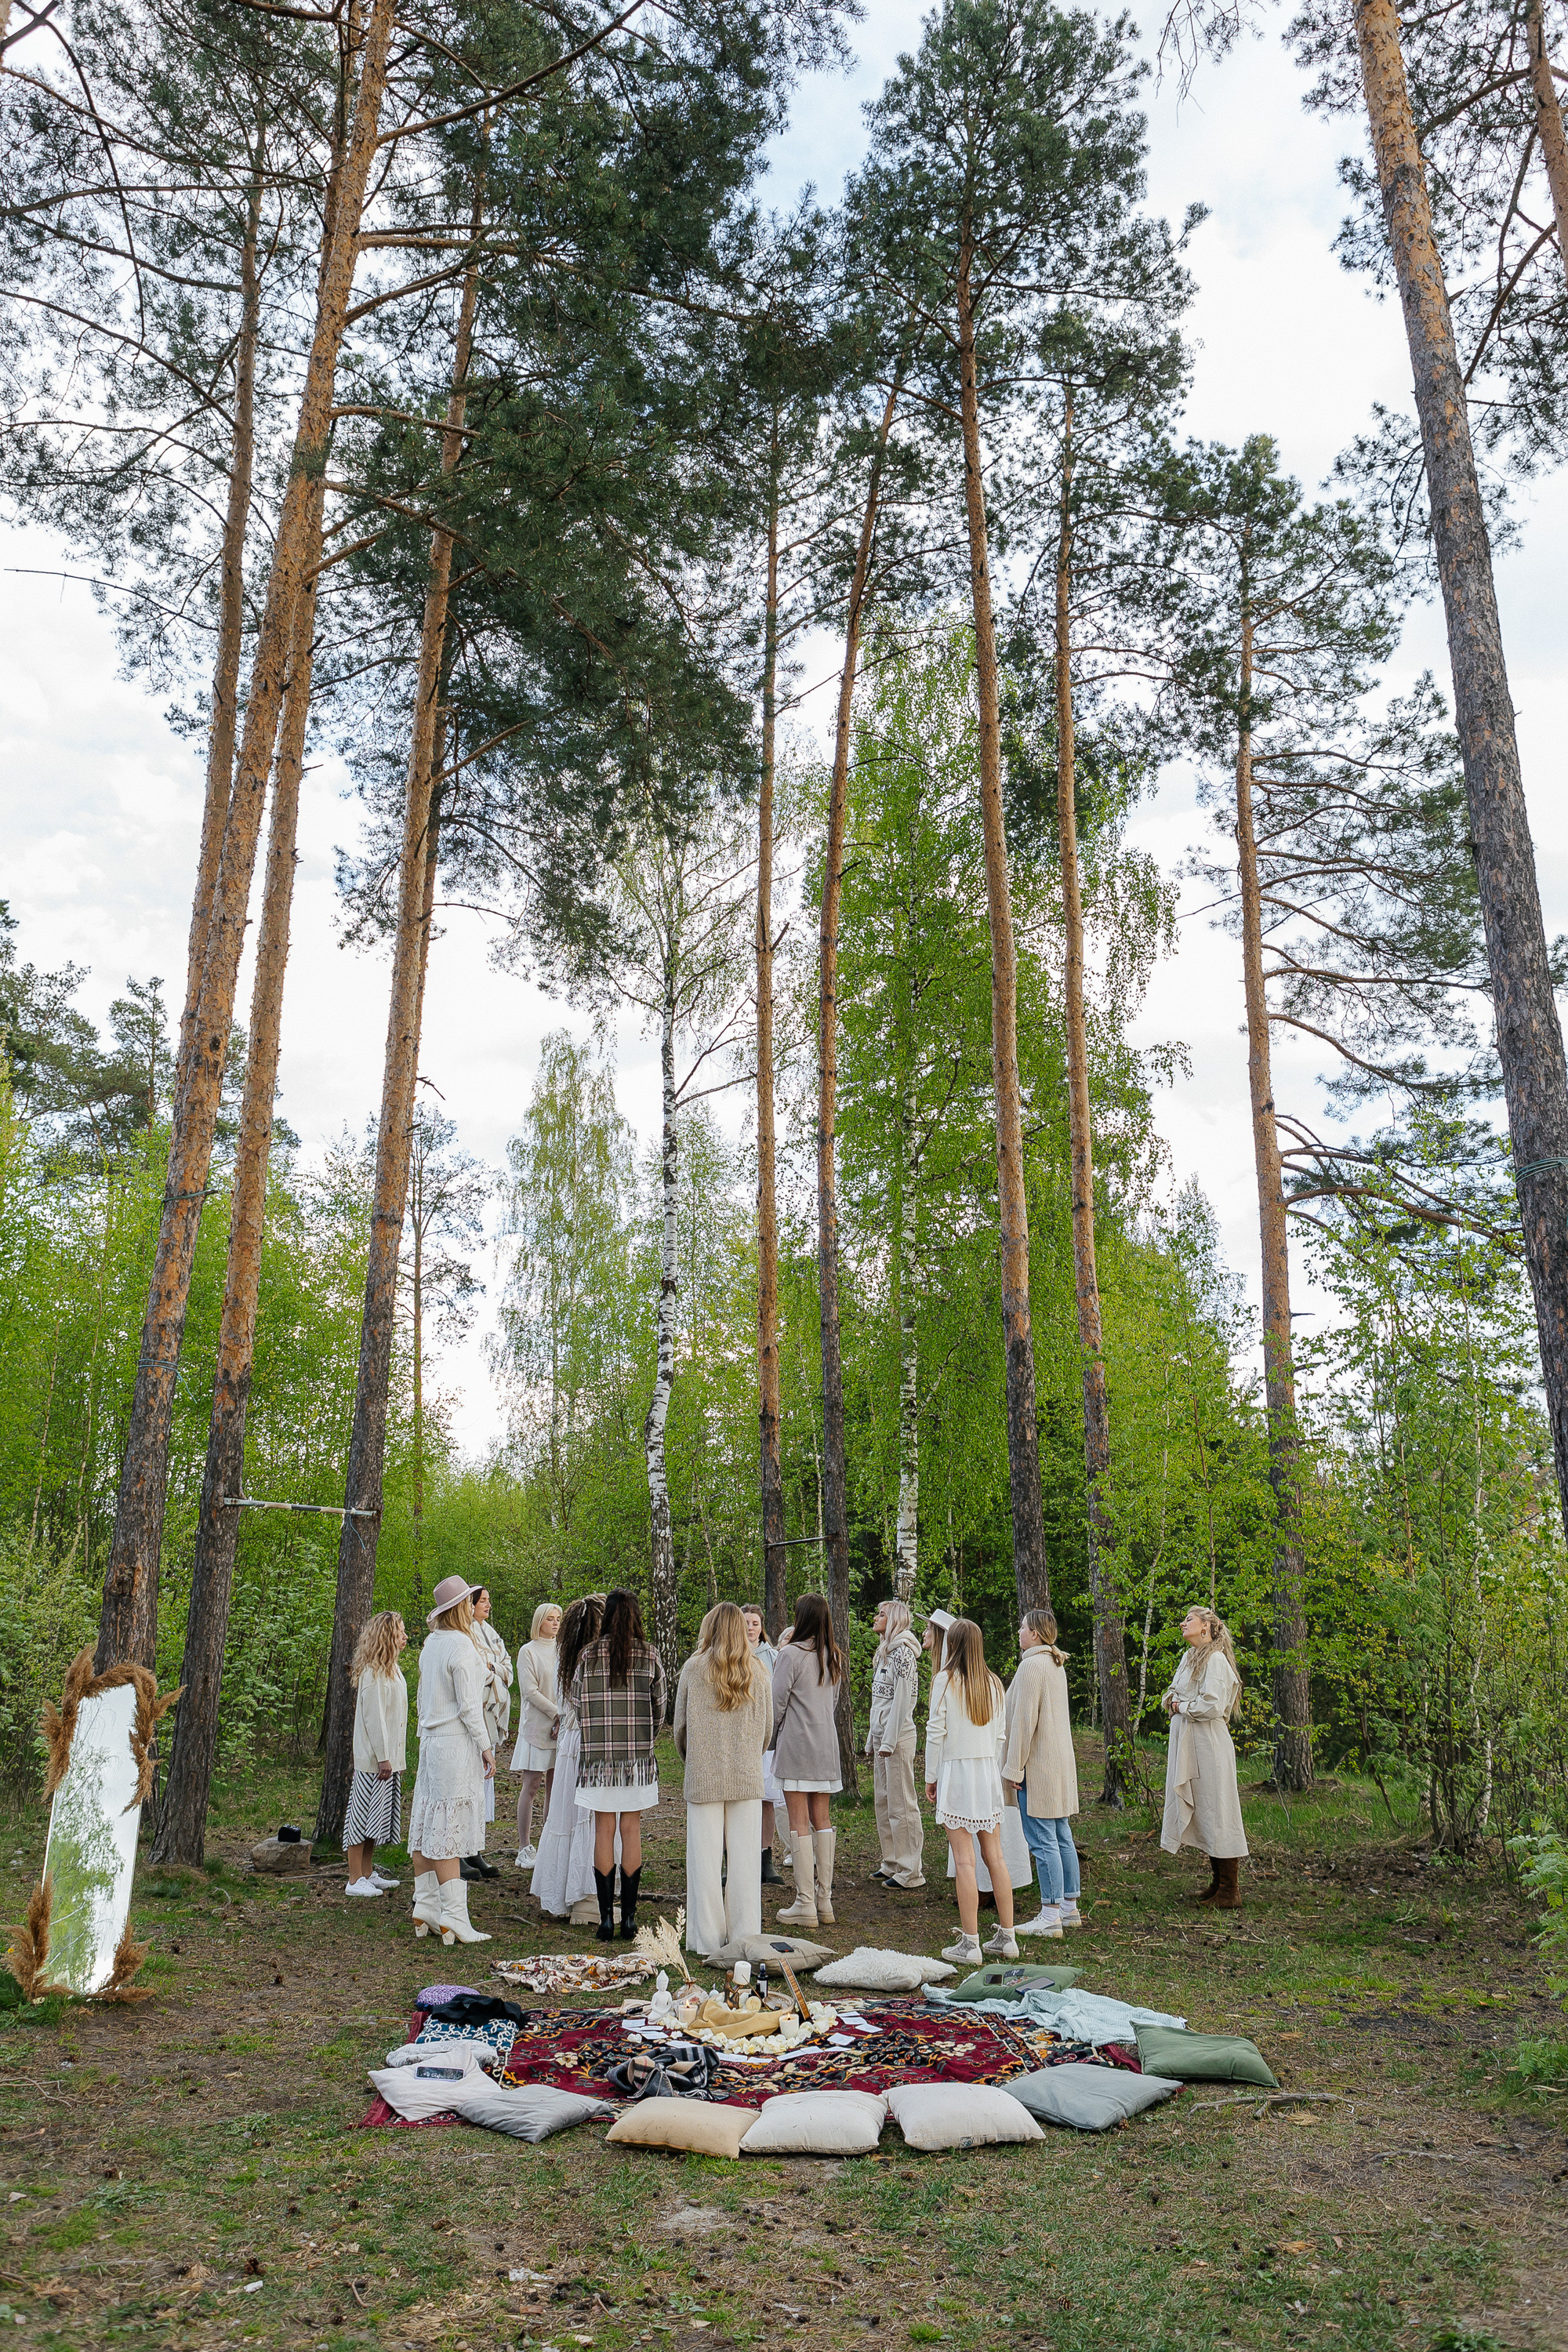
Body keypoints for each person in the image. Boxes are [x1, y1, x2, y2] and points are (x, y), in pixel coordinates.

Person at [673, 1601, 774, 1958]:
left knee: (704, 1861)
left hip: (704, 1776)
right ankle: (745, 1935)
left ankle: (706, 1939)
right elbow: (767, 1730)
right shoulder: (758, 1670)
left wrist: (695, 1760)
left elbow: (680, 1728)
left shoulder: (693, 1668)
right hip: (745, 1775)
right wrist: (749, 1755)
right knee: (746, 1862)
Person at [571, 1588, 666, 1941]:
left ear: (607, 1615)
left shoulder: (588, 1655)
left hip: (598, 1761)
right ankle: (629, 1919)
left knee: (602, 1831)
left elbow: (578, 1706)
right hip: (636, 1759)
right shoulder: (650, 1655)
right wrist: (646, 1739)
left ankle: (605, 1920)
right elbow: (660, 1708)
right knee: (631, 1831)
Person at [924, 1616, 1018, 1965]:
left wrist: (931, 1776)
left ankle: (971, 1942)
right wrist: (990, 1769)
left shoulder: (945, 1681)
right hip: (986, 1772)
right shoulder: (995, 1683)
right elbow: (999, 1737)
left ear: (953, 1644)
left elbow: (936, 1733)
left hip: (958, 1772)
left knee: (964, 1859)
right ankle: (1007, 1937)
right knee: (995, 1855)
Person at [407, 1577, 495, 1947]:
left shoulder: (431, 1644)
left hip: (430, 1744)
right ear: (461, 1607)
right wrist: (486, 1746)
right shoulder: (460, 1645)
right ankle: (455, 1917)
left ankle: (426, 1905)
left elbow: (423, 1698)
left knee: (429, 1821)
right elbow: (469, 1706)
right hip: (454, 1745)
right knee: (448, 1830)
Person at [1002, 1607, 1081, 1937]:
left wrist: (1014, 1767)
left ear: (1034, 1633)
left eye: (1022, 1628)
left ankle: (1050, 1913)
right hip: (1058, 1762)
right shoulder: (1054, 1663)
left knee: (1042, 1837)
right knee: (1061, 1834)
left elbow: (1024, 1722)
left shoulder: (1033, 1665)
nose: (1019, 1632)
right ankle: (1069, 1907)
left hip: (1038, 1764)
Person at [1161, 1605, 1247, 1907]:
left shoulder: (1217, 1660)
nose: (1183, 1623)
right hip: (1188, 1744)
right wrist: (1175, 1701)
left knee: (1218, 1810)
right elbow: (1170, 1693)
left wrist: (1182, 1706)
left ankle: (1230, 1889)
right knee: (1204, 1812)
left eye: (1189, 1619)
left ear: (1206, 1628)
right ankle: (1218, 1884)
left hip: (1209, 1745)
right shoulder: (1188, 1658)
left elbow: (1211, 1704)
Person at [770, 1592, 844, 1930]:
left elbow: (776, 1704)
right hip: (826, 1745)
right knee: (822, 1819)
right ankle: (824, 1900)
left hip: (798, 1745)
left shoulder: (790, 1655)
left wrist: (769, 1739)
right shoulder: (834, 1656)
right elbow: (833, 1704)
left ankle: (805, 1902)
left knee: (799, 1820)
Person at [532, 1595, 608, 1924]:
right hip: (586, 1744)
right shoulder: (589, 1661)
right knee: (587, 1819)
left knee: (567, 1816)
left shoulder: (565, 1658)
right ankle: (585, 1897)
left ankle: (566, 1891)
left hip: (569, 1744)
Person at [343, 1610, 408, 1899]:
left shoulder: (392, 1668)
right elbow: (373, 1718)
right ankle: (354, 1878)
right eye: (400, 1632)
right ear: (386, 1636)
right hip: (374, 1760)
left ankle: (367, 1873)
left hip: (388, 1760)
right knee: (359, 1818)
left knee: (374, 1819)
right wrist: (383, 1756)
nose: (405, 1637)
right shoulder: (373, 1672)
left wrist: (395, 1758)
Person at [866, 1599, 924, 1891]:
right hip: (881, 1738)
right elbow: (879, 1701)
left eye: (882, 1614)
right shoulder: (883, 1653)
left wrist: (888, 1740)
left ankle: (910, 1869)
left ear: (896, 1620)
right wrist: (871, 1738)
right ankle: (891, 1861)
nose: (876, 1617)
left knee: (902, 1803)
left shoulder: (904, 1655)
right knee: (884, 1801)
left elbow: (903, 1703)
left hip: (898, 1738)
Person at [463, 1588, 511, 1880]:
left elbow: (507, 1667)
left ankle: (475, 1848)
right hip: (475, 1709)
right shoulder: (465, 1633)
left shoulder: (491, 1632)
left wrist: (494, 1669)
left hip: (490, 1712)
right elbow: (479, 1671)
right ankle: (461, 1850)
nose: (488, 1605)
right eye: (483, 1601)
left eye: (489, 1600)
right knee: (470, 1778)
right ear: (469, 1605)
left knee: (484, 1781)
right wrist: (494, 1671)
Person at [513, 1602, 563, 1868]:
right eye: (550, 1619)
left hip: (560, 1727)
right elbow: (530, 1692)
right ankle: (524, 1846)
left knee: (554, 1789)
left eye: (558, 1619)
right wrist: (557, 1713)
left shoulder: (562, 1651)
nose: (555, 1623)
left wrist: (563, 1716)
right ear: (539, 1621)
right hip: (537, 1727)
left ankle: (548, 1844)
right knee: (531, 1786)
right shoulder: (527, 1652)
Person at [741, 1603, 783, 1882]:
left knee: (766, 1800)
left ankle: (765, 1859)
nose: (750, 1628)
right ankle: (734, 1860)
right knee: (739, 1799)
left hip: (766, 1737)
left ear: (762, 1626)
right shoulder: (732, 1654)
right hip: (740, 1737)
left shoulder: (774, 1657)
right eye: (746, 1623)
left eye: (755, 1623)